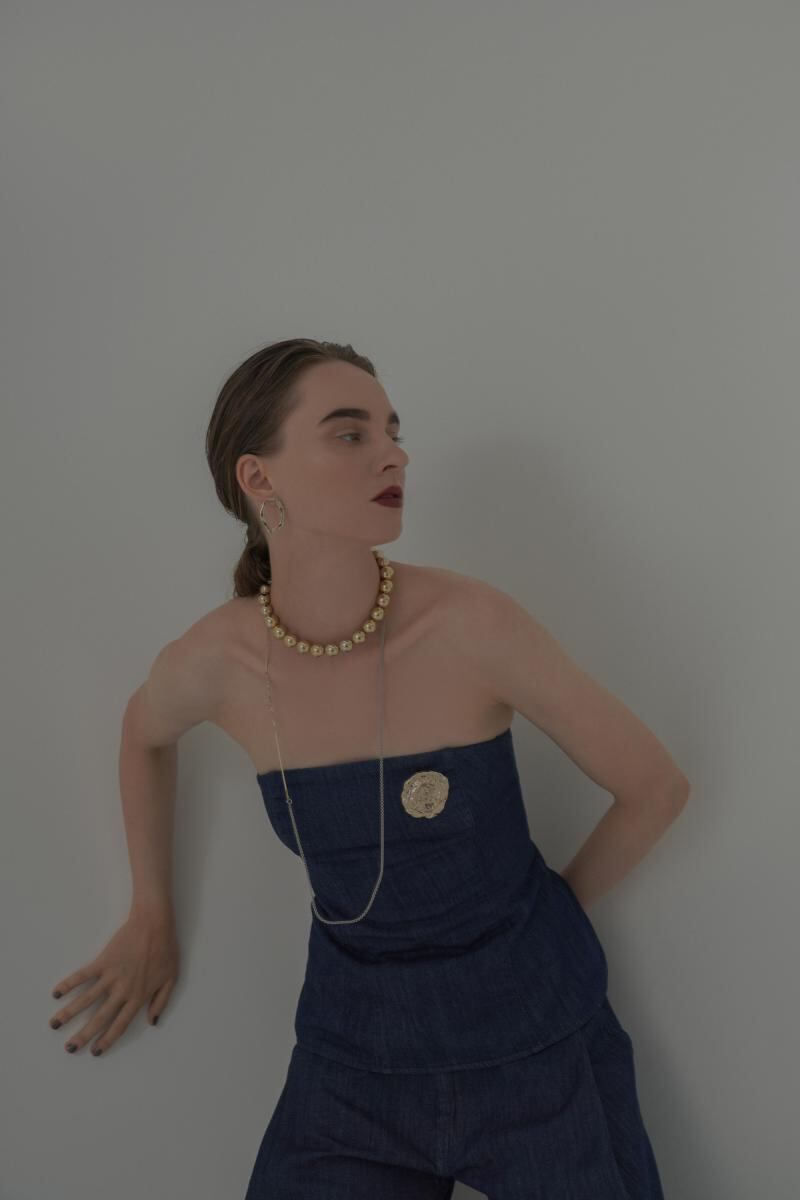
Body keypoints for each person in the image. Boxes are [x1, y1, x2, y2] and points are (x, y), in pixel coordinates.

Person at [48, 338, 689, 1198]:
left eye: (392, 430)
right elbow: (143, 733)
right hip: (351, 1062)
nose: (395, 454)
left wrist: (545, 925)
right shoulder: (217, 661)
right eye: (350, 434)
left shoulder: (470, 624)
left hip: (538, 1045)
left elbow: (654, 787)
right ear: (258, 477)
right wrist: (150, 914)